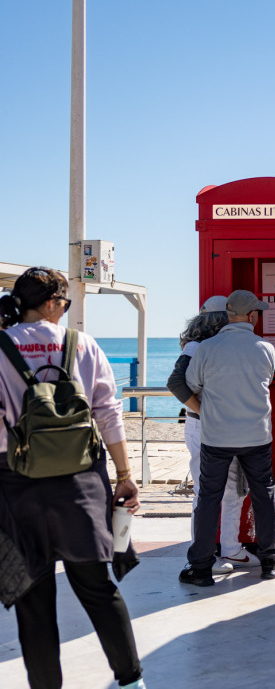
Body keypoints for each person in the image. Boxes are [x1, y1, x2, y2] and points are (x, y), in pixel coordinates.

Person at [0, 267, 145, 689]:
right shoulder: (83, 345)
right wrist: (125, 475)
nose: (65, 310)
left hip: (16, 482)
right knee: (98, 588)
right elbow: (108, 412)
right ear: (50, 303)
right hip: (80, 480)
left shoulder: (2, 346)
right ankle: (131, 681)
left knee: (33, 599)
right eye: (64, 303)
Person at [179, 289, 275, 586]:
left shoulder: (207, 348)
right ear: (250, 316)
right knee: (264, 495)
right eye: (257, 313)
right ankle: (270, 561)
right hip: (256, 435)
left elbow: (191, 383)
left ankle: (200, 567)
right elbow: (267, 379)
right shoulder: (264, 348)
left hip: (216, 436)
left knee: (208, 499)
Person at [166, 295, 258, 574]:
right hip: (205, 425)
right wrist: (204, 411)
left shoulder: (209, 345)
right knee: (208, 491)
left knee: (232, 488)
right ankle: (202, 553)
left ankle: (230, 548)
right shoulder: (198, 347)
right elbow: (175, 383)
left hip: (216, 426)